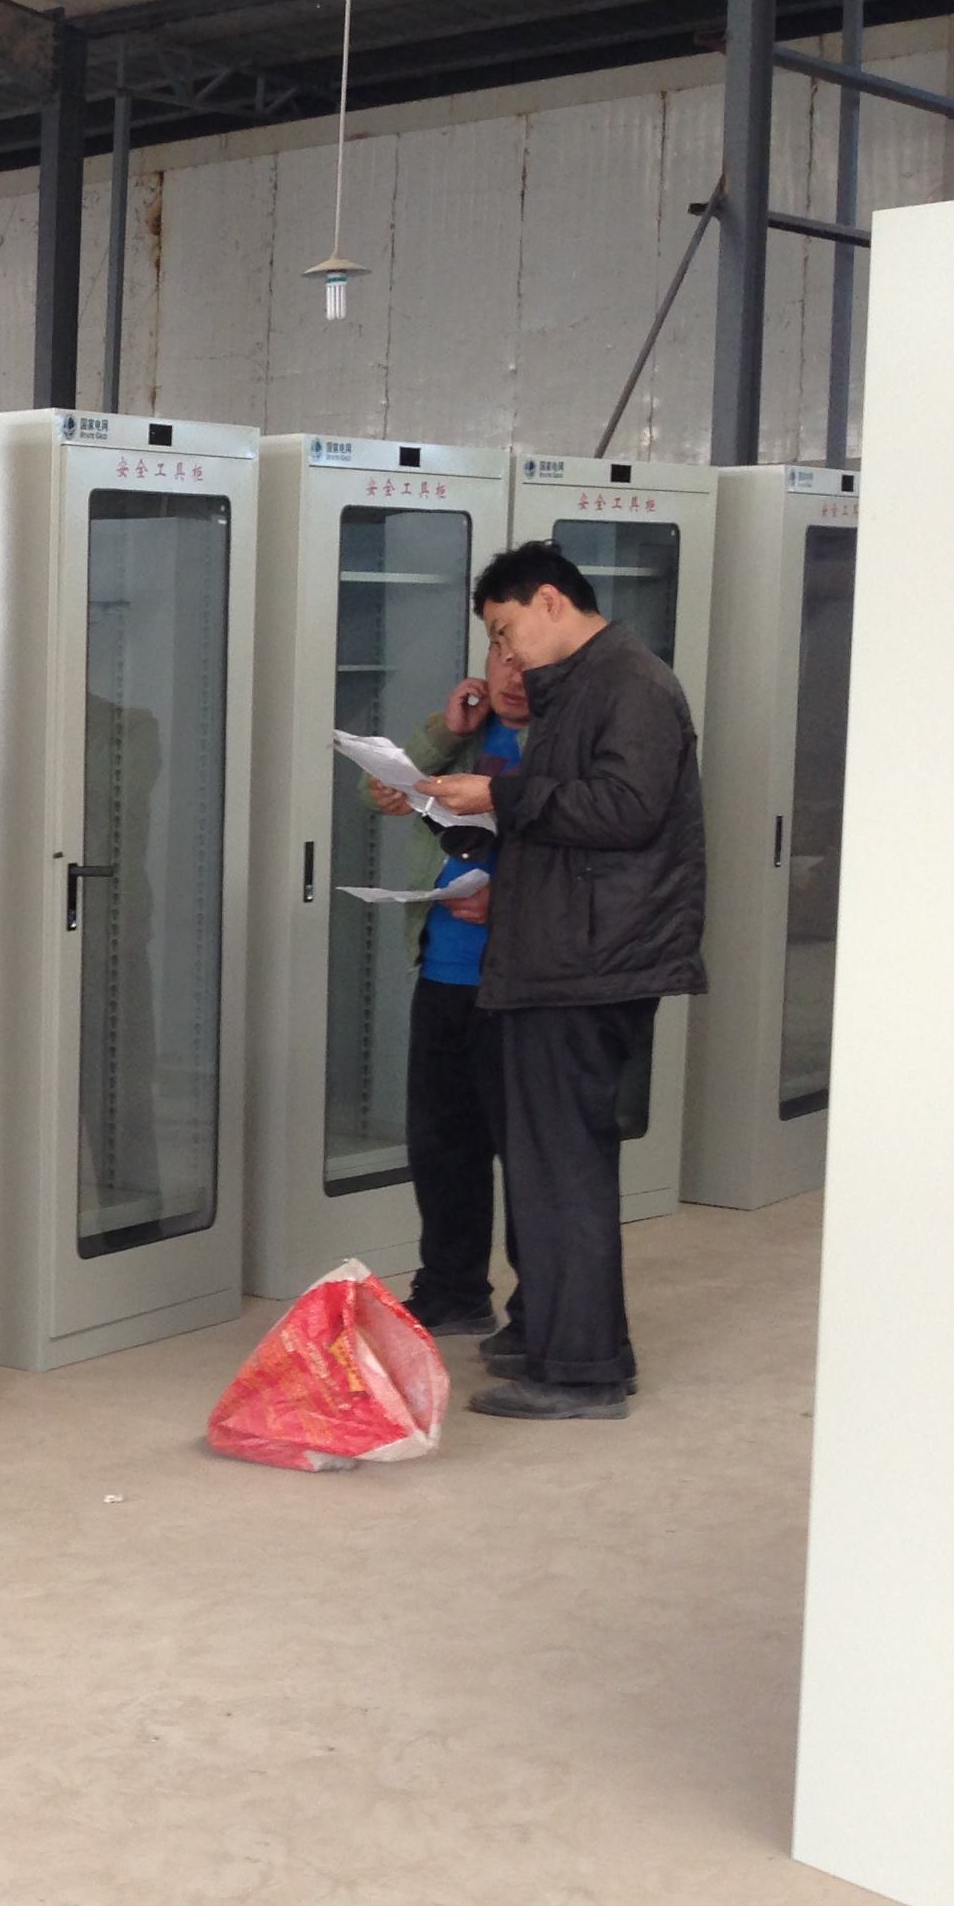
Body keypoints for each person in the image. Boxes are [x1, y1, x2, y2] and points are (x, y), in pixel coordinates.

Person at [414, 541, 705, 1421]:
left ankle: (580, 1373)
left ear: (548, 601)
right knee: (552, 1169)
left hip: (587, 964)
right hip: (561, 954)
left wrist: (499, 797)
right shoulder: (584, 684)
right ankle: (565, 1343)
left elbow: (627, 810)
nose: (505, 653)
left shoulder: (631, 684)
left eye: (506, 630)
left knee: (565, 1170)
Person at [367, 648, 529, 1342]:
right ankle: (453, 1290)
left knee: (527, 1153)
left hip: (522, 983)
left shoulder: (565, 741)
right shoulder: (465, 734)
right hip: (442, 970)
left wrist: (510, 900)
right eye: (500, 656)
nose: (513, 676)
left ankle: (540, 1310)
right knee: (442, 1146)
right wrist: (443, 729)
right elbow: (379, 791)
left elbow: (584, 849)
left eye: (526, 659)